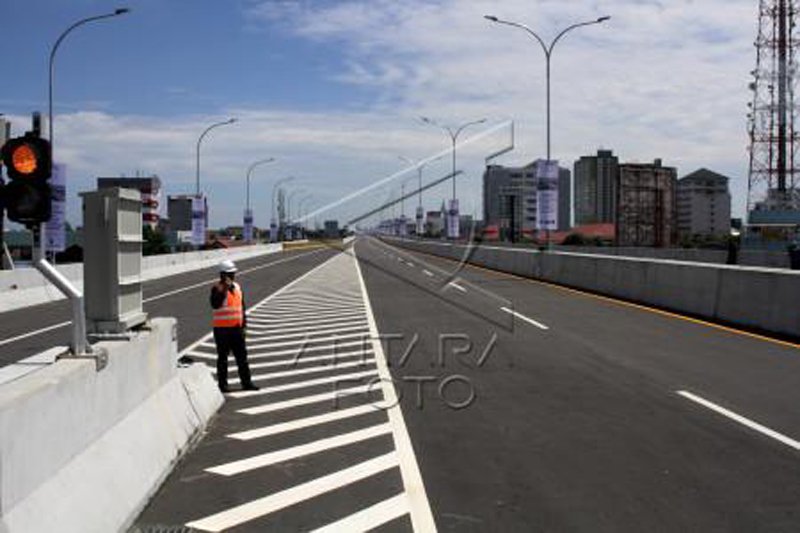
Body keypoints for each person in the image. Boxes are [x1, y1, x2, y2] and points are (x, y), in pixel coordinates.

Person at [210, 259, 259, 393]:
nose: (232, 276)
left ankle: (246, 382)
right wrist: (224, 288)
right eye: (229, 274)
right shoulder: (217, 288)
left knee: (242, 358)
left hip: (237, 329)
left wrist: (244, 326)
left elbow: (241, 308)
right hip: (222, 330)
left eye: (233, 274)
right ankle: (223, 385)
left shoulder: (238, 287)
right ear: (222, 275)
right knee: (223, 359)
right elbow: (215, 304)